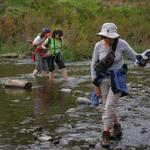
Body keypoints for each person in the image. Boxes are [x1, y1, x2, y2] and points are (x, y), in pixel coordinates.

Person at [91, 23, 138, 148]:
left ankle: (105, 134)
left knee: (109, 106)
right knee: (107, 105)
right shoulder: (98, 46)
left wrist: (144, 60)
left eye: (110, 37)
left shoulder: (122, 44)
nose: (107, 39)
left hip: (118, 78)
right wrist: (95, 83)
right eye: (105, 37)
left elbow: (135, 58)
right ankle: (117, 127)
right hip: (102, 79)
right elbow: (93, 65)